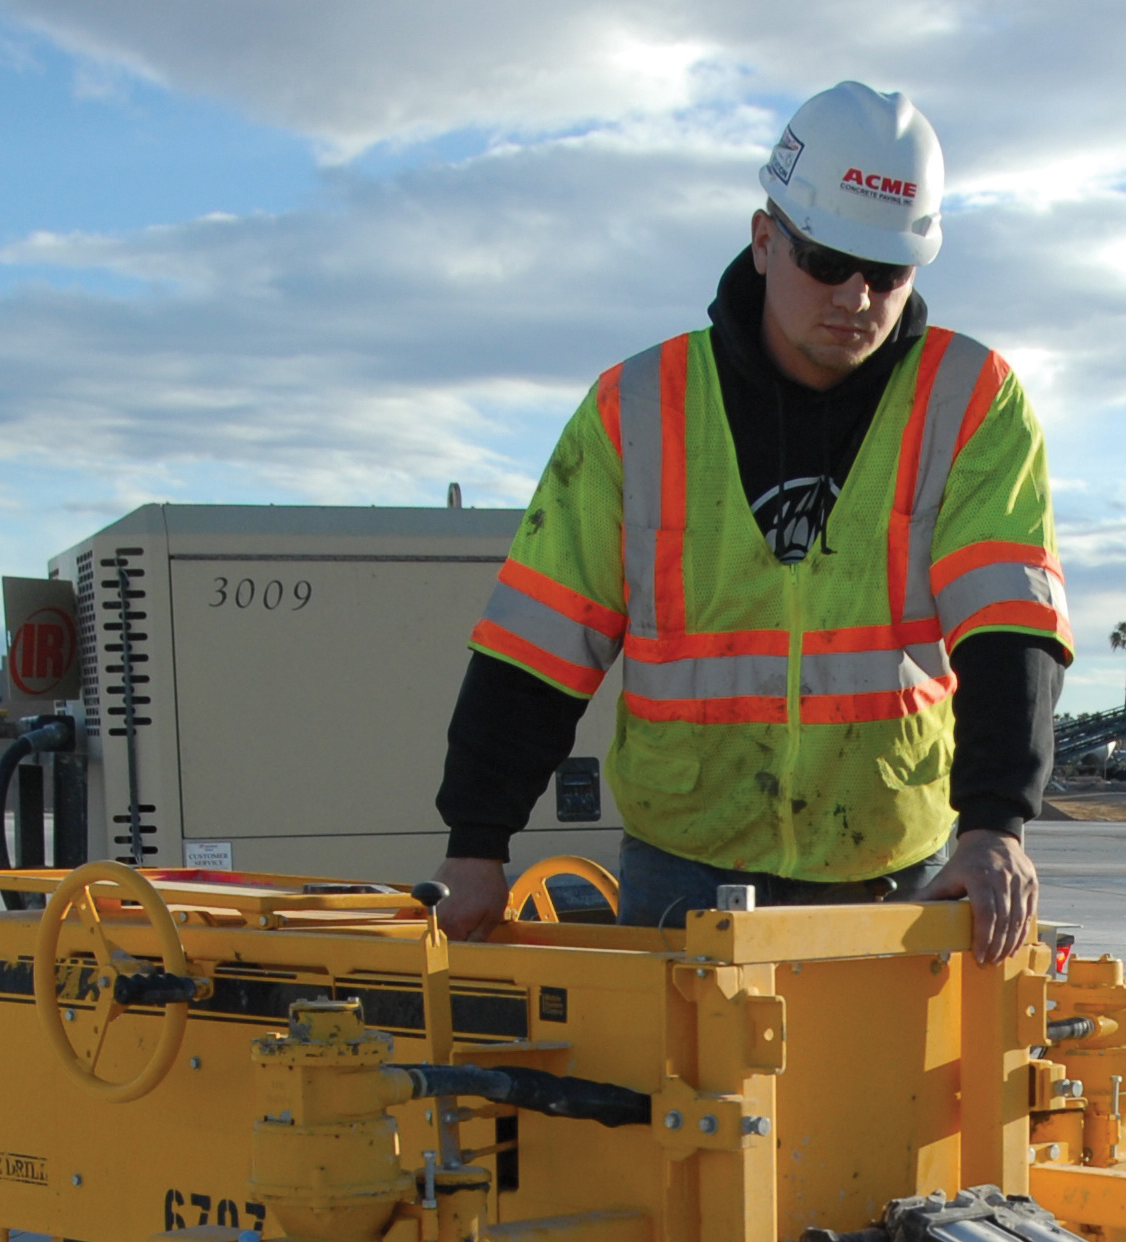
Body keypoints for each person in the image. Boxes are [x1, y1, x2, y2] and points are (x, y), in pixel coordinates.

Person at [432, 81, 1069, 964]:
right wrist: (477, 841)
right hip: (682, 870)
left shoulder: (971, 400)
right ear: (766, 241)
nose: (855, 296)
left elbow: (1010, 626)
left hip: (891, 868)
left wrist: (997, 824)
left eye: (886, 273)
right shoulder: (638, 406)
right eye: (826, 260)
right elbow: (540, 642)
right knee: (685, 1110)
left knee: (889, 1109)